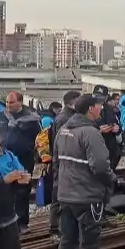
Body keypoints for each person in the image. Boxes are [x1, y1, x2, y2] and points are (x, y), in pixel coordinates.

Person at [54, 94, 117, 249]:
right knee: (88, 243)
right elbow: (100, 166)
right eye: (99, 106)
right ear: (91, 109)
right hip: (87, 196)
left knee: (66, 240)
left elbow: (57, 162)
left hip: (65, 194)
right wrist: (111, 181)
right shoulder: (90, 132)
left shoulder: (63, 130)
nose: (101, 109)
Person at [0, 91, 42, 231]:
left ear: (20, 102)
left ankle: (22, 222)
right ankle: (5, 221)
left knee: (22, 191)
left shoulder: (32, 119)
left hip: (23, 159)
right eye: (7, 102)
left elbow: (39, 138)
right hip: (2, 159)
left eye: (12, 102)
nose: (8, 105)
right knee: (3, 188)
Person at [47, 90, 80, 240]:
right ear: (73, 101)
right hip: (62, 162)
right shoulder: (63, 119)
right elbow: (57, 143)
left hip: (68, 161)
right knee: (58, 196)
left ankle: (65, 226)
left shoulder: (71, 117)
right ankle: (54, 228)